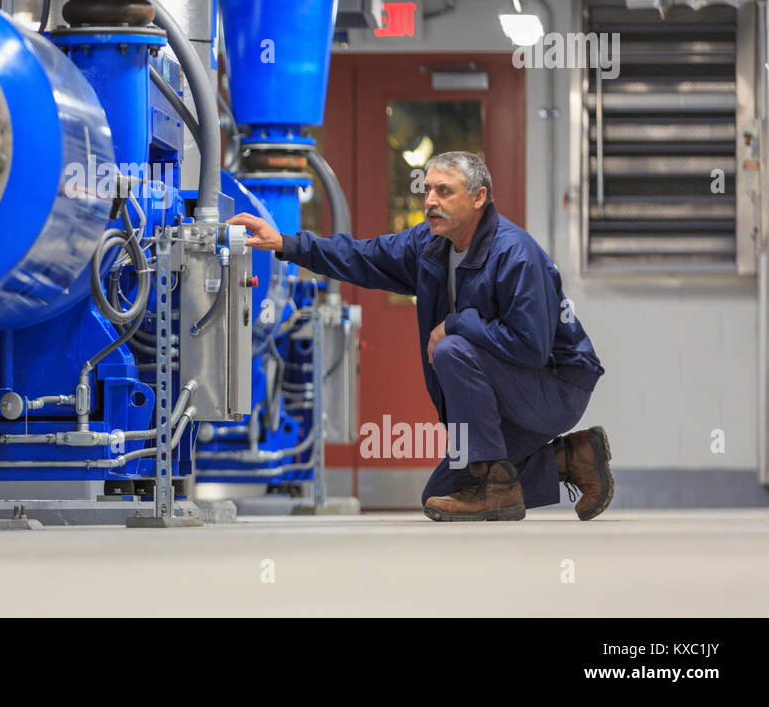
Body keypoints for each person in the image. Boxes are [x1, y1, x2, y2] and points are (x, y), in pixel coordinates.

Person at [226, 151, 611, 522]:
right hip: (513, 388)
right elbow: (363, 256)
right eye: (427, 190)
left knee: (452, 348)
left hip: (556, 388)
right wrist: (284, 243)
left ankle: (497, 487)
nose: (430, 201)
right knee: (444, 491)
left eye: (444, 191)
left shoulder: (516, 255)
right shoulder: (430, 245)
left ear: (479, 198)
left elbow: (530, 347)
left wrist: (457, 323)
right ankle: (572, 459)